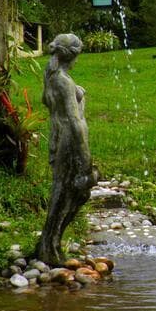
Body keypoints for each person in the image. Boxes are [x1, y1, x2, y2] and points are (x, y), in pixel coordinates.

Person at [36, 33, 97, 265]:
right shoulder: (63, 81)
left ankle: (50, 243)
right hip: (69, 139)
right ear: (72, 55)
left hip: (57, 135)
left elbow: (47, 101)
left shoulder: (51, 75)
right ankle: (49, 246)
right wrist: (85, 156)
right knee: (69, 192)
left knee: (66, 191)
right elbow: (74, 120)